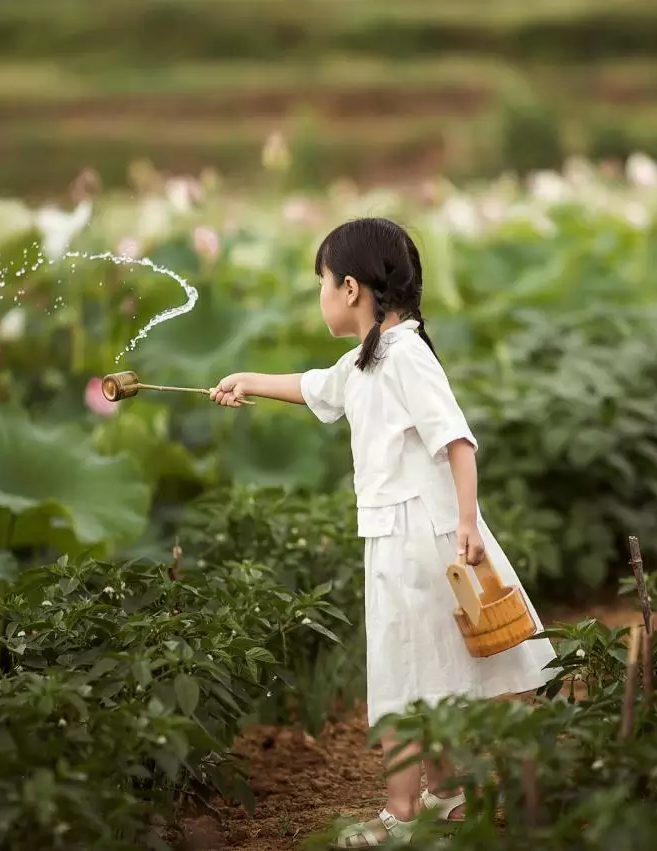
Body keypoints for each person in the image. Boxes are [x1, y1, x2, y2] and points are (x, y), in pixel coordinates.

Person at [209, 217, 556, 848]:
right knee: (431, 667)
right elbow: (317, 388)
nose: (318, 295)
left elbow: (457, 439)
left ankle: (402, 814)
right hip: (398, 532)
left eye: (319, 282)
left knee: (402, 668)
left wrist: (467, 524)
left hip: (418, 535)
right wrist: (247, 382)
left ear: (349, 288)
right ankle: (445, 796)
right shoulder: (370, 357)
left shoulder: (406, 357)